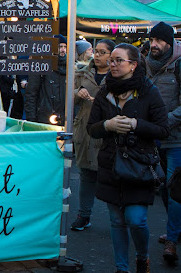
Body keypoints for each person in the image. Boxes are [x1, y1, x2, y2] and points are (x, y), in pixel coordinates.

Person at [87, 43, 168, 273]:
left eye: (118, 60)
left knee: (136, 219)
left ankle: (142, 257)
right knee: (116, 221)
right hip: (111, 164)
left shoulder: (148, 91)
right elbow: (91, 128)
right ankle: (121, 268)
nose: (112, 64)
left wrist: (136, 124)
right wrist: (107, 124)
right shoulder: (104, 91)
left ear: (133, 65)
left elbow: (163, 129)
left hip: (138, 166)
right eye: (111, 60)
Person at [143, 21, 181, 264]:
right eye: (152, 40)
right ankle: (175, 228)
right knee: (163, 188)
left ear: (169, 42)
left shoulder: (179, 64)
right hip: (152, 136)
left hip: (176, 137)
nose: (153, 44)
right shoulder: (144, 63)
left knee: (174, 186)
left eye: (158, 40)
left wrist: (164, 122)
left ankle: (172, 240)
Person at [70, 39, 115, 231]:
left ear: (112, 55)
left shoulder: (117, 75)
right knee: (86, 175)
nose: (97, 55)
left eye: (102, 52)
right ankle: (84, 215)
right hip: (85, 129)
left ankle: (117, 219)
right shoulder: (82, 72)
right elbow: (69, 97)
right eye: (96, 51)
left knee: (111, 176)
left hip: (108, 131)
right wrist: (76, 93)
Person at [25, 34, 67, 125]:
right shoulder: (41, 66)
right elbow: (31, 94)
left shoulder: (70, 67)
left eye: (65, 47)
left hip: (64, 119)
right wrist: (31, 121)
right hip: (44, 119)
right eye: (60, 46)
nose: (63, 50)